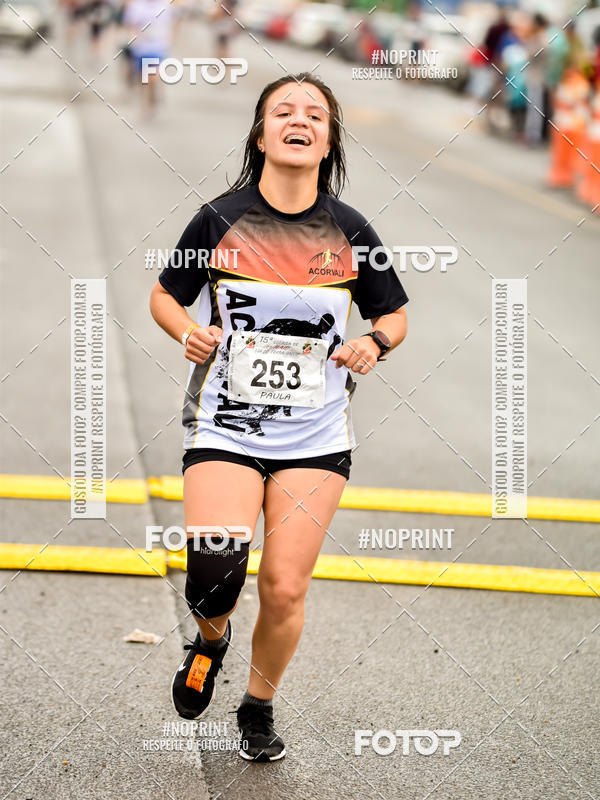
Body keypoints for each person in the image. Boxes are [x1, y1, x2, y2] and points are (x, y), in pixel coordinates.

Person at [149, 72, 408, 762]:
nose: (299, 120)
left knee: (285, 586)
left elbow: (394, 312)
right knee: (214, 569)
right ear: (261, 134)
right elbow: (165, 296)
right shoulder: (218, 219)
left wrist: (373, 341)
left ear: (327, 142)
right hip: (225, 425)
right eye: (283, 111)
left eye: (315, 115)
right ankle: (210, 640)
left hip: (316, 435)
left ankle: (258, 705)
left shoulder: (351, 231)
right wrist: (186, 331)